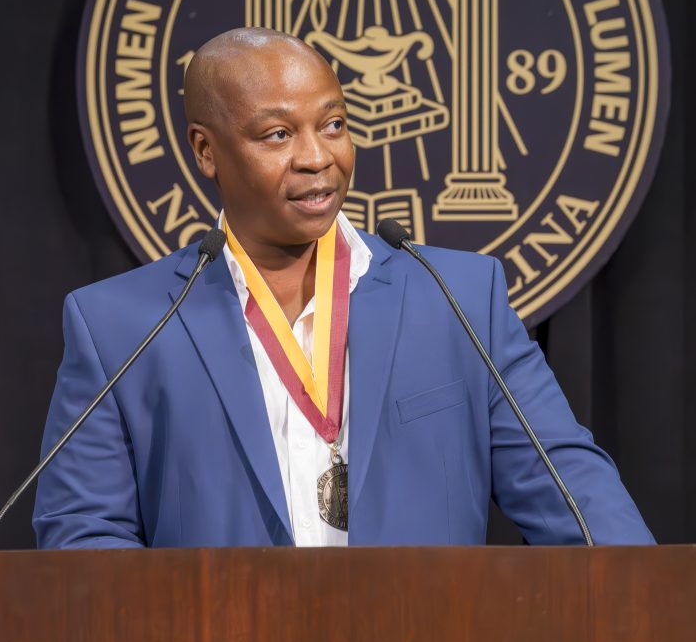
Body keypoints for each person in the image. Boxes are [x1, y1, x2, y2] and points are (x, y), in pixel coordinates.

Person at [34, 29, 654, 548]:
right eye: (278, 135)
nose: (317, 157)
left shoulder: (459, 299)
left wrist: (649, 610)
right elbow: (84, 540)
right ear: (206, 151)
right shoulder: (121, 327)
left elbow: (575, 495)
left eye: (333, 125)